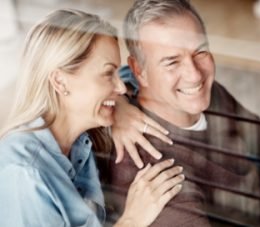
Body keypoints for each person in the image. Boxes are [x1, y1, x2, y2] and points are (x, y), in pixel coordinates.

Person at [107, 0, 260, 226]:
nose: (195, 75)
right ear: (139, 70)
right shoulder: (156, 175)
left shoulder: (209, 96)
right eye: (172, 62)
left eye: (200, 51)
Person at [0, 9, 185, 227]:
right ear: (60, 82)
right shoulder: (25, 174)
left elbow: (130, 74)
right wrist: (132, 220)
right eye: (108, 74)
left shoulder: (78, 141)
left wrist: (119, 106)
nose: (120, 86)